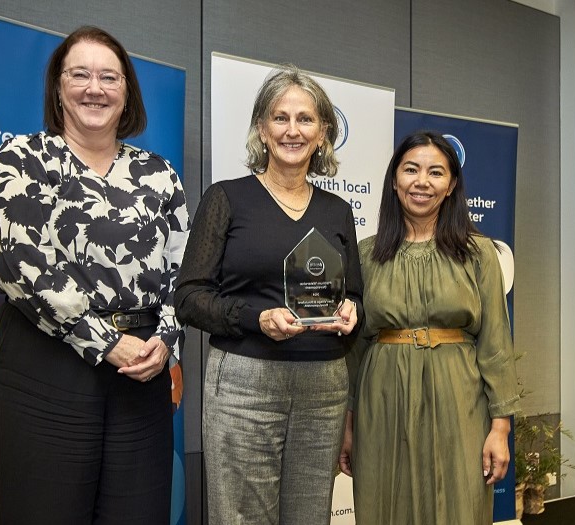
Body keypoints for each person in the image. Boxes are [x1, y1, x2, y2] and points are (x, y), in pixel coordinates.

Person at [0, 26, 189, 525]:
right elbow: (21, 266)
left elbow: (185, 271)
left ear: (127, 92)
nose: (95, 88)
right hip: (46, 365)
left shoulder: (159, 175)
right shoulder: (19, 160)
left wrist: (165, 339)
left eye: (109, 77)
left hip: (142, 371)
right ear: (58, 88)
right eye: (80, 74)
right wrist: (103, 340)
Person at [175, 64, 363, 525]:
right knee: (240, 518)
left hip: (323, 388)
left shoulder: (337, 211)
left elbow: (355, 292)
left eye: (305, 119)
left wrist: (352, 311)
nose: (292, 130)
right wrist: (255, 319)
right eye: (280, 118)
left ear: (323, 133)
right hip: (244, 383)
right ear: (262, 128)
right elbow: (188, 295)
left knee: (309, 517)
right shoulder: (227, 198)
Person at [339, 131, 521, 524]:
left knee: (458, 504)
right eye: (411, 170)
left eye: (435, 172)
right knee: (385, 504)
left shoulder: (479, 253)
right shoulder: (366, 255)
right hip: (382, 402)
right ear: (394, 179)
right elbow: (353, 349)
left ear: (452, 184)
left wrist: (500, 428)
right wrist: (348, 424)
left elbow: (495, 343)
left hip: (460, 401)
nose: (422, 182)